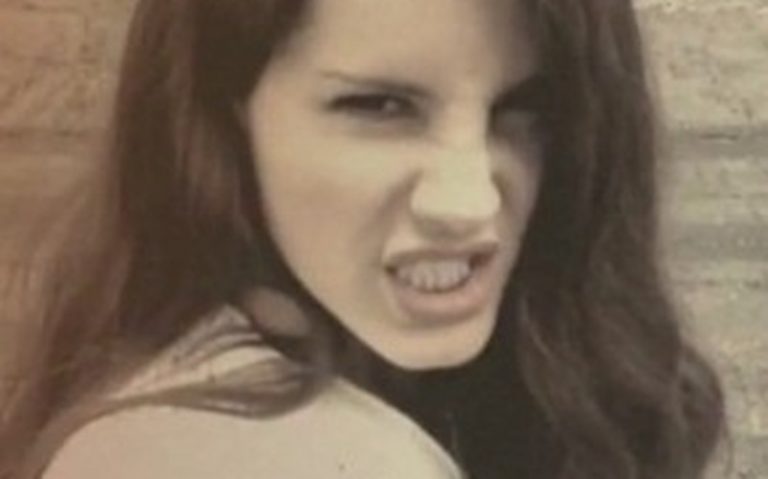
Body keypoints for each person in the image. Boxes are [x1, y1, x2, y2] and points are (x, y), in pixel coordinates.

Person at [0, 0, 725, 477]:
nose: (467, 202)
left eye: (525, 107)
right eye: (380, 106)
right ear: (226, 113)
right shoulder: (279, 453)